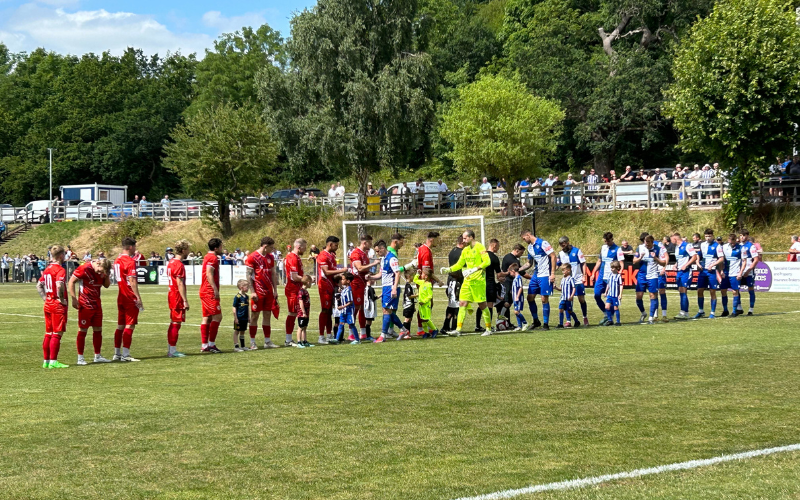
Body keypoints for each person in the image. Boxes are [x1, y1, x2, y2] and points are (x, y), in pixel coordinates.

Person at [441, 230, 493, 336]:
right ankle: (458, 330)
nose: (463, 240)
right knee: (462, 303)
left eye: (465, 238)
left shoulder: (480, 247)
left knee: (482, 305)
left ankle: (488, 329)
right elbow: (459, 264)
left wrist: (474, 269)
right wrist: (448, 269)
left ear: (471, 237)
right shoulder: (465, 250)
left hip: (478, 281)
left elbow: (487, 262)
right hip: (467, 281)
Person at [69, 257, 112, 365]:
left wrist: (106, 274)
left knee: (98, 330)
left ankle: (97, 356)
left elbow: (106, 285)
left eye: (102, 272)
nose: (100, 273)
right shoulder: (84, 268)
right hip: (85, 304)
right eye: (100, 270)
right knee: (83, 330)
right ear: (97, 263)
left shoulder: (103, 272)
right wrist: (74, 298)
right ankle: (80, 358)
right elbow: (71, 281)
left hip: (97, 304)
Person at [37, 245, 69, 368]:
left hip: (48, 304)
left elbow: (39, 285)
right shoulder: (60, 270)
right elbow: (60, 285)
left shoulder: (47, 269)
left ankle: (46, 361)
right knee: (57, 333)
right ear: (61, 256)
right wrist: (62, 300)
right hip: (57, 305)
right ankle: (53, 361)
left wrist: (45, 298)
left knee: (48, 333)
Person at [112, 238, 144, 362]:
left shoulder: (117, 260)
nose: (135, 249)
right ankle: (126, 354)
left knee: (120, 325)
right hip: (129, 296)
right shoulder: (130, 261)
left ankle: (117, 353)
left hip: (121, 296)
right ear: (130, 247)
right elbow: (132, 280)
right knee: (129, 325)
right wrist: (138, 297)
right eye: (135, 246)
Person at [376, 235, 412, 342]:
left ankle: (383, 335)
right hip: (385, 288)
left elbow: (397, 273)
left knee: (387, 311)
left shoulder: (392, 258)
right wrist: (369, 277)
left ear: (382, 249)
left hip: (391, 287)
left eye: (378, 251)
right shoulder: (383, 260)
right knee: (387, 311)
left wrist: (394, 288)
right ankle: (403, 329)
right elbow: (380, 275)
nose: (377, 253)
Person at [245, 236, 279, 349]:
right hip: (258, 292)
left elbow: (273, 274)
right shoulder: (252, 257)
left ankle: (267, 341)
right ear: (265, 247)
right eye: (271, 247)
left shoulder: (270, 257)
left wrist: (275, 290)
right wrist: (252, 291)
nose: (272, 250)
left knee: (267, 315)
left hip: (269, 291)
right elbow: (249, 275)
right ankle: (252, 341)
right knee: (254, 316)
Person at [520, 229, 556, 331]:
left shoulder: (542, 243)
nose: (524, 240)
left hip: (545, 275)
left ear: (528, 235)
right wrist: (518, 270)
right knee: (530, 297)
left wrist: (552, 273)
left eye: (524, 238)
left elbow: (553, 256)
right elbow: (529, 263)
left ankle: (546, 324)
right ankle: (536, 321)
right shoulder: (530, 247)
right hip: (536, 275)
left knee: (544, 299)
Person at [349, 234, 380, 341]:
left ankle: (363, 333)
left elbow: (364, 270)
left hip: (363, 283)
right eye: (370, 243)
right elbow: (359, 268)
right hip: (356, 283)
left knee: (362, 308)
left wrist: (370, 273)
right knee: (356, 308)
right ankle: (351, 333)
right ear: (364, 243)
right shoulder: (356, 253)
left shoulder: (364, 254)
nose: (371, 246)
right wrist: (373, 264)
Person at [318, 236, 348, 341]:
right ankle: (321, 336)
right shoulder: (322, 256)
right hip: (324, 285)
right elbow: (326, 272)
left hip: (332, 285)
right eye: (336, 245)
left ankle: (329, 335)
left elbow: (333, 271)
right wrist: (341, 270)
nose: (337, 247)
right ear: (330, 244)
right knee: (325, 310)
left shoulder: (331, 256)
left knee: (330, 311)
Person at [633, 234, 668, 325]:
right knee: (638, 296)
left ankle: (651, 317)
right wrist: (640, 257)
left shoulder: (658, 248)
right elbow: (634, 261)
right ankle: (643, 313)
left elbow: (663, 263)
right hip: (642, 275)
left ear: (652, 242)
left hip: (653, 275)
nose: (646, 244)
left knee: (653, 295)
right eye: (645, 242)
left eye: (648, 242)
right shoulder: (640, 248)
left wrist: (655, 258)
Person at [556, 236, 589, 326]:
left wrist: (584, 276)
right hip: (567, 280)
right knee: (568, 300)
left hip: (577, 279)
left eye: (564, 245)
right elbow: (557, 264)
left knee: (581, 299)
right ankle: (568, 321)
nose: (563, 247)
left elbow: (583, 263)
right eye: (561, 246)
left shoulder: (577, 251)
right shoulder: (561, 254)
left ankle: (585, 317)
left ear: (568, 242)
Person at [166, 240, 190, 357]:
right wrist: (185, 300)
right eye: (188, 249)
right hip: (176, 296)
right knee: (176, 322)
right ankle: (172, 350)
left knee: (173, 322)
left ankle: (171, 349)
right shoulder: (179, 265)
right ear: (184, 250)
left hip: (171, 294)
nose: (189, 252)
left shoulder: (171, 262)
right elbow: (180, 283)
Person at [199, 238, 224, 353]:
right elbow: (209, 273)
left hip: (204, 290)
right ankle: (211, 344)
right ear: (216, 248)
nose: (222, 248)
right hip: (209, 291)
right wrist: (215, 289)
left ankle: (204, 345)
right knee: (217, 317)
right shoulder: (212, 258)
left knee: (207, 318)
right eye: (221, 246)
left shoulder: (207, 256)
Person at [594, 232, 624, 323]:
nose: (607, 242)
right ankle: (607, 313)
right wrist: (593, 272)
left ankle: (610, 317)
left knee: (611, 297)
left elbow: (621, 263)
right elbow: (599, 261)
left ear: (612, 239)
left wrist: (619, 273)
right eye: (605, 241)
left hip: (611, 277)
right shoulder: (603, 248)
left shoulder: (618, 249)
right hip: (602, 275)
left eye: (608, 241)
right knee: (596, 295)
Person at [694, 229, 724, 319]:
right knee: (699, 290)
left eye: (709, 236)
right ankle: (701, 311)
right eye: (706, 236)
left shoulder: (717, 246)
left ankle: (712, 312)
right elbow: (698, 255)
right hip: (703, 271)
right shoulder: (702, 245)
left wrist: (713, 265)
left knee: (712, 291)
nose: (707, 238)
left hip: (712, 271)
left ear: (713, 236)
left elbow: (721, 258)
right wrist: (698, 262)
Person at [476, 238, 504, 332]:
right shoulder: (494, 258)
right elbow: (499, 274)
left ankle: (477, 326)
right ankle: (489, 326)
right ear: (494, 245)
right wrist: (508, 273)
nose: (498, 249)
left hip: (479, 282)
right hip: (489, 283)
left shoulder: (481, 254)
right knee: (489, 305)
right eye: (498, 247)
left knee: (481, 304)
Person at [285, 238, 310, 343]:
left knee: (297, 313)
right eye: (304, 248)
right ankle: (288, 340)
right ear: (299, 247)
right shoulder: (292, 258)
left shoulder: (296, 257)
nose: (305, 250)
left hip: (297, 289)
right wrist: (306, 279)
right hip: (292, 290)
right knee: (292, 313)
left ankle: (300, 339)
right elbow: (294, 277)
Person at [441, 236, 465, 334]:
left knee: (451, 304)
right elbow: (458, 268)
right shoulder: (461, 253)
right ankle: (453, 327)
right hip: (457, 281)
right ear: (462, 242)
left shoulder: (452, 251)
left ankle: (446, 326)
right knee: (457, 305)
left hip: (451, 281)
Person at [672, 232, 698, 320]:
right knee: (681, 291)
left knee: (683, 290)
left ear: (675, 238)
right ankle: (683, 312)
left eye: (672, 238)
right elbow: (680, 258)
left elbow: (694, 256)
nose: (671, 240)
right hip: (679, 271)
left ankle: (684, 312)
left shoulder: (687, 245)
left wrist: (686, 265)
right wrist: (676, 264)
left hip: (686, 271)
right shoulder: (676, 247)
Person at [721, 233, 744, 317]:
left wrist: (740, 273)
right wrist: (721, 271)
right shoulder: (724, 247)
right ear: (728, 240)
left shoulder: (741, 248)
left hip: (735, 273)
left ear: (736, 240)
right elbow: (721, 259)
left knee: (735, 291)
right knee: (723, 291)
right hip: (726, 273)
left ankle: (734, 311)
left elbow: (744, 261)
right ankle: (725, 310)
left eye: (733, 241)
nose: (732, 243)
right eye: (731, 241)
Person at [335, 272, 361, 344]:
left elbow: (350, 302)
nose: (341, 281)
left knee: (351, 324)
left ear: (348, 281)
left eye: (343, 279)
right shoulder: (344, 290)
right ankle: (337, 339)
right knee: (341, 324)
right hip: (343, 311)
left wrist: (342, 306)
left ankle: (357, 340)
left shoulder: (349, 290)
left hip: (349, 310)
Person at [739, 230, 759, 315]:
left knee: (750, 289)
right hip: (738, 271)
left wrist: (748, 270)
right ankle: (739, 307)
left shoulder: (751, 246)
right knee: (736, 289)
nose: (742, 237)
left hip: (748, 272)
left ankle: (751, 309)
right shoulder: (737, 246)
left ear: (747, 236)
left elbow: (756, 260)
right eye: (740, 235)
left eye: (744, 235)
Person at [413, 269, 438, 338]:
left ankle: (435, 329)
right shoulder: (422, 282)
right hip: (421, 305)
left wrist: (424, 301)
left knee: (426, 319)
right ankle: (426, 332)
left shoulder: (429, 285)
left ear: (426, 276)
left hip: (426, 305)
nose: (421, 275)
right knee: (422, 319)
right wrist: (417, 274)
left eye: (422, 274)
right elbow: (415, 280)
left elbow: (430, 296)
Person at [555, 264, 578, 328]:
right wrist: (556, 288)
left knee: (569, 311)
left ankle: (576, 321)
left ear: (568, 270)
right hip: (563, 298)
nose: (563, 272)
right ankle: (561, 324)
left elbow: (574, 288)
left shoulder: (571, 279)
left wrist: (571, 296)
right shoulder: (562, 279)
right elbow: (561, 289)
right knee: (560, 309)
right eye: (562, 271)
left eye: (563, 271)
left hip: (568, 298)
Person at [294, 275, 314, 347]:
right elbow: (300, 302)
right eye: (311, 282)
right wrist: (303, 312)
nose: (311, 284)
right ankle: (299, 342)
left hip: (306, 312)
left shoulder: (305, 291)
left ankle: (304, 341)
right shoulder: (301, 291)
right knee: (300, 327)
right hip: (302, 313)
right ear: (308, 282)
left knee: (305, 327)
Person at [602, 261, 624, 326]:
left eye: (613, 268)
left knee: (615, 308)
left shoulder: (618, 276)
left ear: (617, 268)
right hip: (609, 295)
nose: (611, 269)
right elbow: (608, 284)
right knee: (607, 307)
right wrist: (606, 292)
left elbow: (621, 285)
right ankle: (610, 320)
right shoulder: (610, 275)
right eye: (611, 267)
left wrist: (620, 294)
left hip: (615, 295)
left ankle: (618, 321)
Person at [507, 263, 527, 331]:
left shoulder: (518, 278)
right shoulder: (515, 278)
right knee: (516, 311)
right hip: (515, 297)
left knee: (516, 312)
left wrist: (517, 296)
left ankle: (525, 323)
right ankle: (519, 326)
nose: (510, 274)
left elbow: (520, 287)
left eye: (510, 272)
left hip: (518, 298)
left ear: (513, 271)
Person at [232, 280, 250, 352]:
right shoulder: (237, 297)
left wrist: (249, 317)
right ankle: (236, 346)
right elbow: (234, 307)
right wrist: (235, 318)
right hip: (239, 317)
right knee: (237, 331)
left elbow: (247, 307)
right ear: (241, 287)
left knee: (243, 331)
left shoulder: (246, 297)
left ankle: (243, 346)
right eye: (247, 287)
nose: (248, 288)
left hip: (244, 318)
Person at [401, 269, 418, 340]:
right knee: (407, 319)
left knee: (410, 319)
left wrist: (413, 305)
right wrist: (417, 295)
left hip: (411, 305)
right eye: (413, 276)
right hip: (408, 305)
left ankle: (408, 333)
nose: (414, 278)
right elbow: (409, 295)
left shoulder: (410, 285)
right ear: (409, 276)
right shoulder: (408, 286)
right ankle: (403, 333)